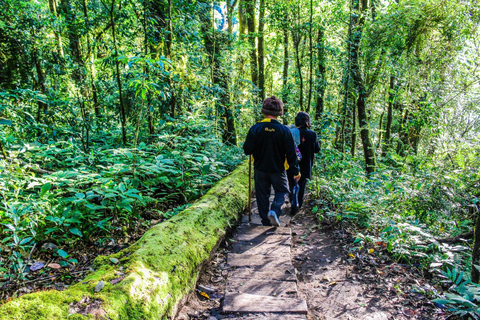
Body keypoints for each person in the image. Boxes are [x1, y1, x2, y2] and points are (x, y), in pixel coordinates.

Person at [243, 96, 300, 227]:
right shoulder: (284, 130)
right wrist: (295, 171)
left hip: (260, 168)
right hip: (278, 169)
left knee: (262, 195)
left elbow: (247, 150)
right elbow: (291, 153)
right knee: (283, 190)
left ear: (263, 110)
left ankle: (265, 221)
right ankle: (274, 210)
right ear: (279, 112)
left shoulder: (255, 128)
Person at [287, 111, 321, 214]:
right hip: (306, 165)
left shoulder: (292, 132)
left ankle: (292, 201)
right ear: (308, 121)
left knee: (292, 183)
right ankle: (298, 204)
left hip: (293, 163)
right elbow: (317, 149)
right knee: (302, 185)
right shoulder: (312, 134)